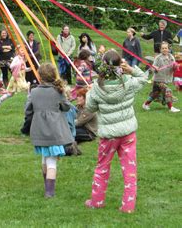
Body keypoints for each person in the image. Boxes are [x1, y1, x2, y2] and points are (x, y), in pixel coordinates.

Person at [84, 50, 147, 213]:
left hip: (109, 135)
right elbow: (143, 78)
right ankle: (128, 206)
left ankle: (97, 201)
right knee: (130, 168)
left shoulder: (97, 87)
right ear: (120, 65)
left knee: (102, 167)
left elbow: (89, 107)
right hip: (127, 133)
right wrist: (132, 69)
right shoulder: (129, 82)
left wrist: (90, 91)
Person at [25, 62, 73, 198]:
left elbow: (27, 110)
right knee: (51, 160)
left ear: (39, 76)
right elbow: (67, 107)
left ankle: (47, 187)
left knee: (44, 157)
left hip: (39, 129)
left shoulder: (33, 92)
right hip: (55, 130)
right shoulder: (58, 91)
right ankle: (49, 192)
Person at [142, 42, 179, 113]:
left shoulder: (171, 56)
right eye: (163, 48)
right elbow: (152, 68)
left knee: (155, 94)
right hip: (158, 80)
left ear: (168, 49)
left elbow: (174, 68)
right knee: (167, 91)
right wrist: (155, 68)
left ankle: (145, 104)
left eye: (166, 48)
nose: (164, 49)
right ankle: (171, 108)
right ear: (160, 49)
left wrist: (175, 66)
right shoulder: (158, 58)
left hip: (166, 79)